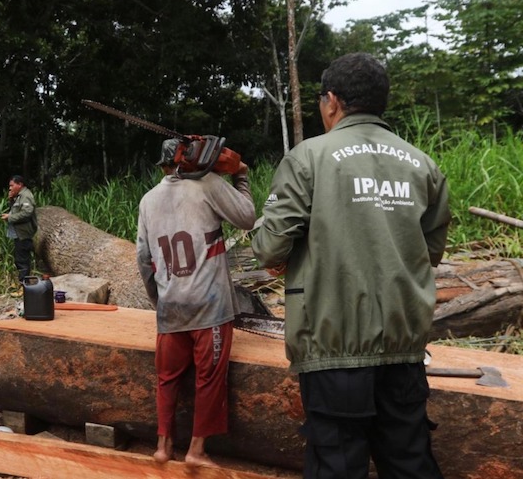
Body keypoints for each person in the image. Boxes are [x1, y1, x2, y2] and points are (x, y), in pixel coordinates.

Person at [251, 53, 451, 478]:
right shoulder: (423, 165)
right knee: (410, 460)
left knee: (337, 463)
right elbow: (429, 253)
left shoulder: (308, 158)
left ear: (332, 101)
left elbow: (269, 248)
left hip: (332, 347)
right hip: (404, 348)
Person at [135, 139, 256, 467]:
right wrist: (241, 175)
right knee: (209, 378)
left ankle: (163, 446)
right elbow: (247, 217)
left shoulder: (147, 201)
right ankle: (196, 451)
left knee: (167, 378)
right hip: (209, 307)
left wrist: (159, 301)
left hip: (171, 307)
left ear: (163, 166)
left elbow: (144, 260)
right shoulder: (209, 185)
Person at [0, 175, 38, 283]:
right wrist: (11, 199)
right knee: (20, 260)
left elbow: (27, 212)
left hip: (24, 233)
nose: (10, 188)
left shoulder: (26, 195)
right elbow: (17, 210)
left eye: (12, 185)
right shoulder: (19, 196)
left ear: (20, 184)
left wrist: (10, 217)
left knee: (22, 261)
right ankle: (23, 284)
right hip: (18, 233)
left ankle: (24, 287)